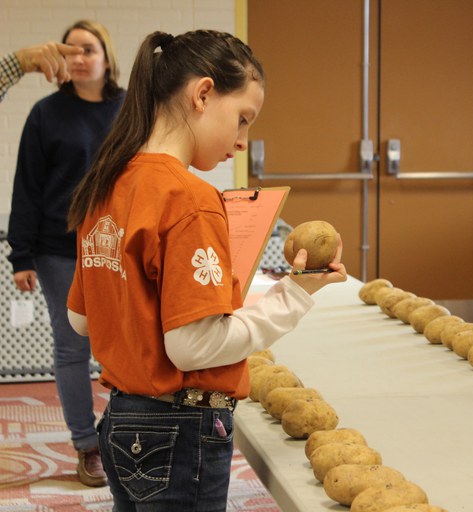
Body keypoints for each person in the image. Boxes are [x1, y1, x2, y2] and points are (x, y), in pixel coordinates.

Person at [65, 29, 346, 510]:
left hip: (121, 421)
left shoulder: (107, 184)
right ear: (202, 94)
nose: (242, 141)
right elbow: (193, 347)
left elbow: (82, 320)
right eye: (242, 119)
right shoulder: (190, 199)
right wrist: (295, 296)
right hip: (179, 429)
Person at [6, 20, 125, 487]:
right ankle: (87, 447)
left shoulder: (129, 110)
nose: (78, 57)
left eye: (88, 49)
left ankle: (122, 436)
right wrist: (21, 256)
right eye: (69, 50)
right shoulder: (45, 113)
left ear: (106, 56)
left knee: (121, 349)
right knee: (73, 348)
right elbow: (27, 187)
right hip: (59, 251)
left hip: (118, 248)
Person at [0, 42, 83, 102]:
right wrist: (18, 62)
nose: (78, 60)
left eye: (88, 51)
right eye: (70, 52)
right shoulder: (43, 110)